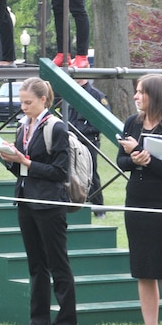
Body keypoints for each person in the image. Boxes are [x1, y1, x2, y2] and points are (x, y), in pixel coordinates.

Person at [0, 77, 76, 325]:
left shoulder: (56, 128)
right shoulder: (24, 125)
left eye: (28, 102)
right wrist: (11, 159)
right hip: (25, 199)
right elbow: (21, 168)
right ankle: (37, 323)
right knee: (36, 265)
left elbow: (60, 172)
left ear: (44, 100)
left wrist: (27, 162)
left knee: (58, 265)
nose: (23, 107)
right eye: (21, 102)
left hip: (49, 204)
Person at [117, 73, 162, 325]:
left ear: (155, 95)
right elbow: (122, 162)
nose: (136, 96)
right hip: (136, 201)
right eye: (136, 91)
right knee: (143, 270)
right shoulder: (131, 123)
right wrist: (134, 158)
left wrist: (143, 156)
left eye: (141, 91)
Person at [66, 70, 110, 216]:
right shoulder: (69, 93)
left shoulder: (97, 95)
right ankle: (73, 204)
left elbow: (104, 120)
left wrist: (84, 129)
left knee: (90, 174)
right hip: (70, 140)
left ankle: (99, 209)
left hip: (88, 140)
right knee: (68, 172)